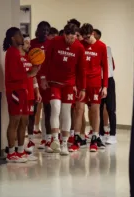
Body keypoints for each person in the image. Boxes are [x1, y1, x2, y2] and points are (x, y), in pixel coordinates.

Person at [40, 23, 86, 155]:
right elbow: (46, 60)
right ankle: (55, 140)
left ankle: (64, 142)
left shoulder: (79, 47)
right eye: (69, 38)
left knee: (66, 111)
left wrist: (82, 88)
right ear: (64, 35)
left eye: (74, 38)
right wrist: (43, 78)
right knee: (55, 107)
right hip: (54, 82)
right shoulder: (54, 42)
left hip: (69, 85)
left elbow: (81, 70)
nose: (71, 40)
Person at [69, 23, 108, 153]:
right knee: (78, 110)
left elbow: (105, 68)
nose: (85, 40)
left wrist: (105, 86)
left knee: (95, 111)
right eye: (83, 37)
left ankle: (95, 138)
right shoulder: (80, 46)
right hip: (81, 84)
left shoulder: (102, 46)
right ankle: (78, 138)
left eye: (87, 37)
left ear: (92, 34)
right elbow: (75, 66)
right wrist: (74, 84)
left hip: (96, 83)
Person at [3, 27, 39, 162]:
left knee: (23, 121)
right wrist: (30, 73)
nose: (22, 38)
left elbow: (24, 73)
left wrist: (34, 70)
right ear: (13, 38)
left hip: (23, 90)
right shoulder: (11, 52)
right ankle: (11, 153)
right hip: (15, 91)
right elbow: (14, 75)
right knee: (15, 121)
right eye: (19, 35)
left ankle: (20, 150)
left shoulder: (18, 53)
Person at [30, 21, 52, 150]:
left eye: (47, 30)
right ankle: (31, 139)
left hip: (47, 82)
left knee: (48, 110)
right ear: (37, 30)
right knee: (32, 111)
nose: (44, 32)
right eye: (42, 29)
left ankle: (47, 139)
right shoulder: (32, 44)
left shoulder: (51, 44)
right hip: (33, 80)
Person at [20, 35, 42, 154]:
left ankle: (30, 141)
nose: (29, 45)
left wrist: (37, 91)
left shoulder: (30, 58)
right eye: (27, 43)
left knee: (30, 117)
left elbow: (33, 77)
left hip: (31, 93)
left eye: (29, 43)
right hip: (21, 92)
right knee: (21, 120)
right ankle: (20, 146)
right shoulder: (18, 57)